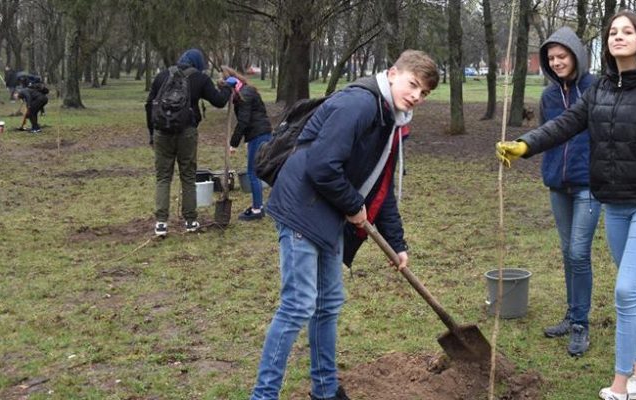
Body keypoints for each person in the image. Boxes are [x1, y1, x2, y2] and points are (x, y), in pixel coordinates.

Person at [496, 10, 636, 400]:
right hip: (615, 204)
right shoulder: (598, 89)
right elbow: (565, 125)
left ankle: (620, 385)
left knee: (625, 289)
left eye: (627, 31)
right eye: (613, 31)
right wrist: (526, 145)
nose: (618, 36)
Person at [249, 49, 439, 400]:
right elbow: (322, 165)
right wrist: (353, 206)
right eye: (413, 84)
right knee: (299, 304)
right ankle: (264, 395)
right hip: (302, 208)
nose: (415, 96)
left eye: (424, 93)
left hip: (328, 213)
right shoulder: (360, 105)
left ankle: (324, 390)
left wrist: (397, 243)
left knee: (329, 302)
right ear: (393, 73)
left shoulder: (391, 119)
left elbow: (381, 187)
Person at [536, 27, 601, 357]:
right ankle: (571, 314)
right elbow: (546, 134)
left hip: (589, 186)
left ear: (577, 55)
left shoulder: (596, 88)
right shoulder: (548, 97)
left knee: (578, 252)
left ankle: (580, 325)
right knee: (567, 253)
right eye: (551, 58)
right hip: (558, 186)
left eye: (562, 56)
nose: (557, 62)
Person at [145, 48, 232, 237]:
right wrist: (227, 87)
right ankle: (190, 221)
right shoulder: (200, 79)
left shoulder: (162, 76)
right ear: (198, 63)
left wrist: (152, 133)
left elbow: (148, 104)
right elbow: (219, 101)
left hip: (162, 132)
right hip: (187, 133)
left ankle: (161, 223)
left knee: (163, 177)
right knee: (188, 176)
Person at [221, 66, 272, 221]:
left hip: (259, 134)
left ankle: (257, 210)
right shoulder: (247, 91)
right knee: (257, 171)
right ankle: (261, 206)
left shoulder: (244, 95)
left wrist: (233, 144)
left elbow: (243, 121)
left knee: (252, 172)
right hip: (259, 133)